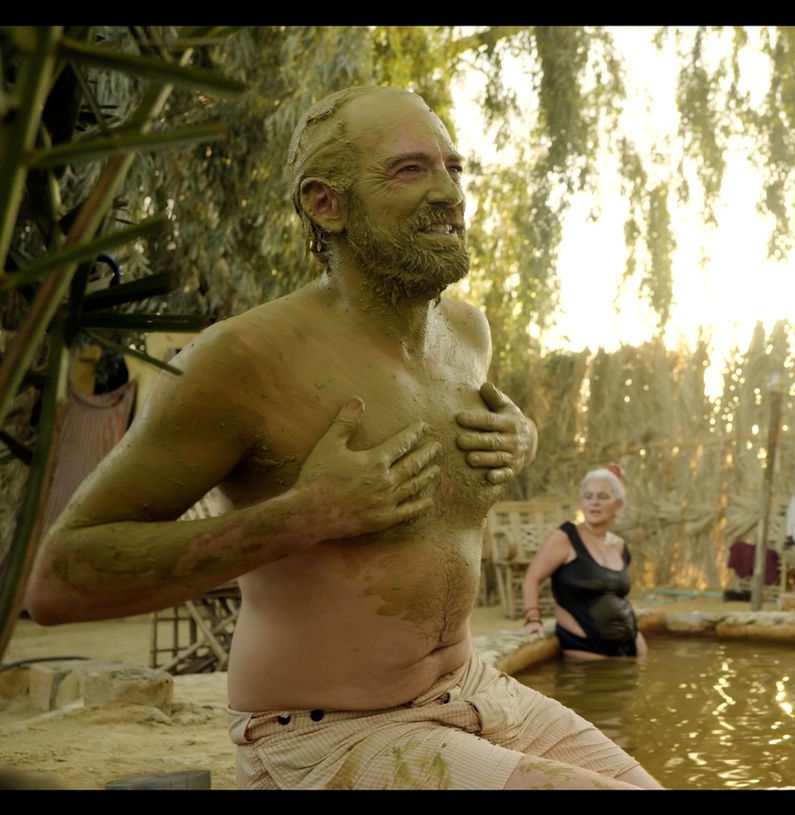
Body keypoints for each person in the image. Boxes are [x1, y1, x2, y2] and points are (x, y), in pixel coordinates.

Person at [23, 85, 662, 790]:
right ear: (327, 204)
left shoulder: (466, 335)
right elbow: (58, 582)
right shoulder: (239, 360)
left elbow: (452, 465)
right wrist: (305, 516)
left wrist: (524, 437)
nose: (450, 191)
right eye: (411, 169)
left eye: (455, 167)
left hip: (476, 690)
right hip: (329, 732)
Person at [520, 466, 647, 660]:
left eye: (603, 497)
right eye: (588, 497)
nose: (594, 502)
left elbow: (615, 596)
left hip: (632, 645)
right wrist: (532, 619)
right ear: (582, 502)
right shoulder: (565, 537)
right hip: (585, 647)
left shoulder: (620, 546)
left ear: (619, 505)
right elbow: (532, 578)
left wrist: (635, 637)